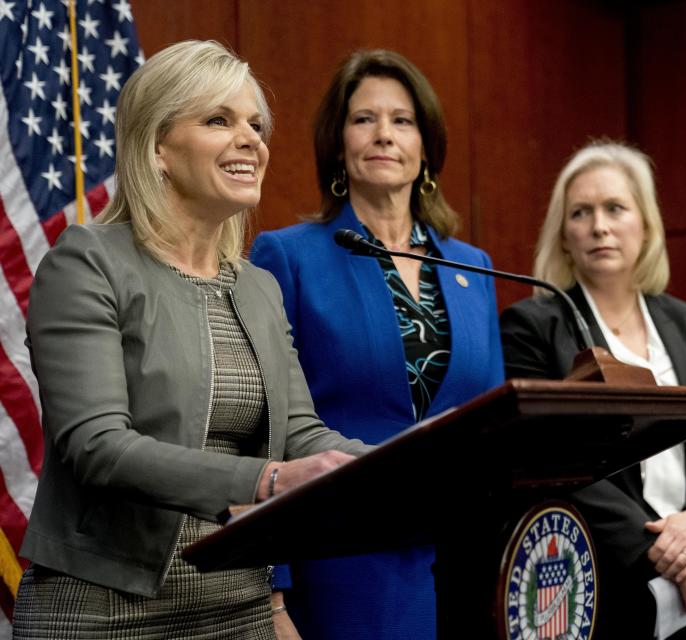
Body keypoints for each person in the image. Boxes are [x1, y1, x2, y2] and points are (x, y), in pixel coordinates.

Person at [11, 40, 369, 640]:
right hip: (105, 610)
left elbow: (302, 434)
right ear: (156, 149)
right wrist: (268, 481)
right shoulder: (88, 263)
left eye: (256, 124)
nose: (252, 139)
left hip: (240, 604)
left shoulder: (257, 285)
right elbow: (98, 446)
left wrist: (408, 461)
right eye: (218, 120)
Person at [249, 49, 504, 639]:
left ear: (426, 145)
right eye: (364, 119)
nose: (384, 134)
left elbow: (496, 429)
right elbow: (263, 430)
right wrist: (272, 596)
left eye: (402, 120)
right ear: (338, 144)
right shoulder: (290, 257)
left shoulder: (477, 269)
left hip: (470, 568)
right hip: (344, 567)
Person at [500, 141, 686, 639]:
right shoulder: (533, 326)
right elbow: (545, 452)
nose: (599, 226)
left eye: (615, 208)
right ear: (563, 236)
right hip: (604, 580)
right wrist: (652, 543)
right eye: (581, 213)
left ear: (646, 225)